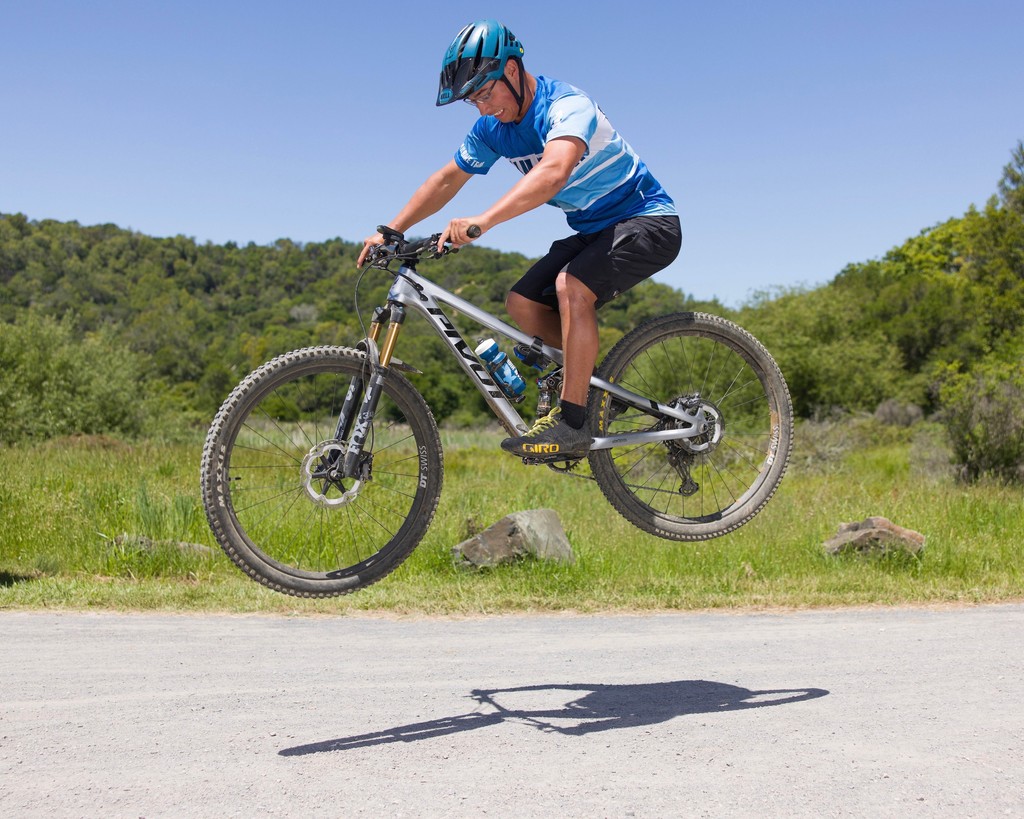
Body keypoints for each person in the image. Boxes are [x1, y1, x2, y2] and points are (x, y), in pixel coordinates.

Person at [357, 19, 681, 461]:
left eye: (485, 94)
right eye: (473, 101)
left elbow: (552, 173)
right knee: (522, 304)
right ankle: (594, 388)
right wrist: (391, 229)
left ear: (511, 70)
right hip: (593, 230)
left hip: (648, 221)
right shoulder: (493, 129)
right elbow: (448, 179)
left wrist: (483, 221)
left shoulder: (566, 104)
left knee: (572, 286)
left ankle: (571, 424)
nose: (483, 109)